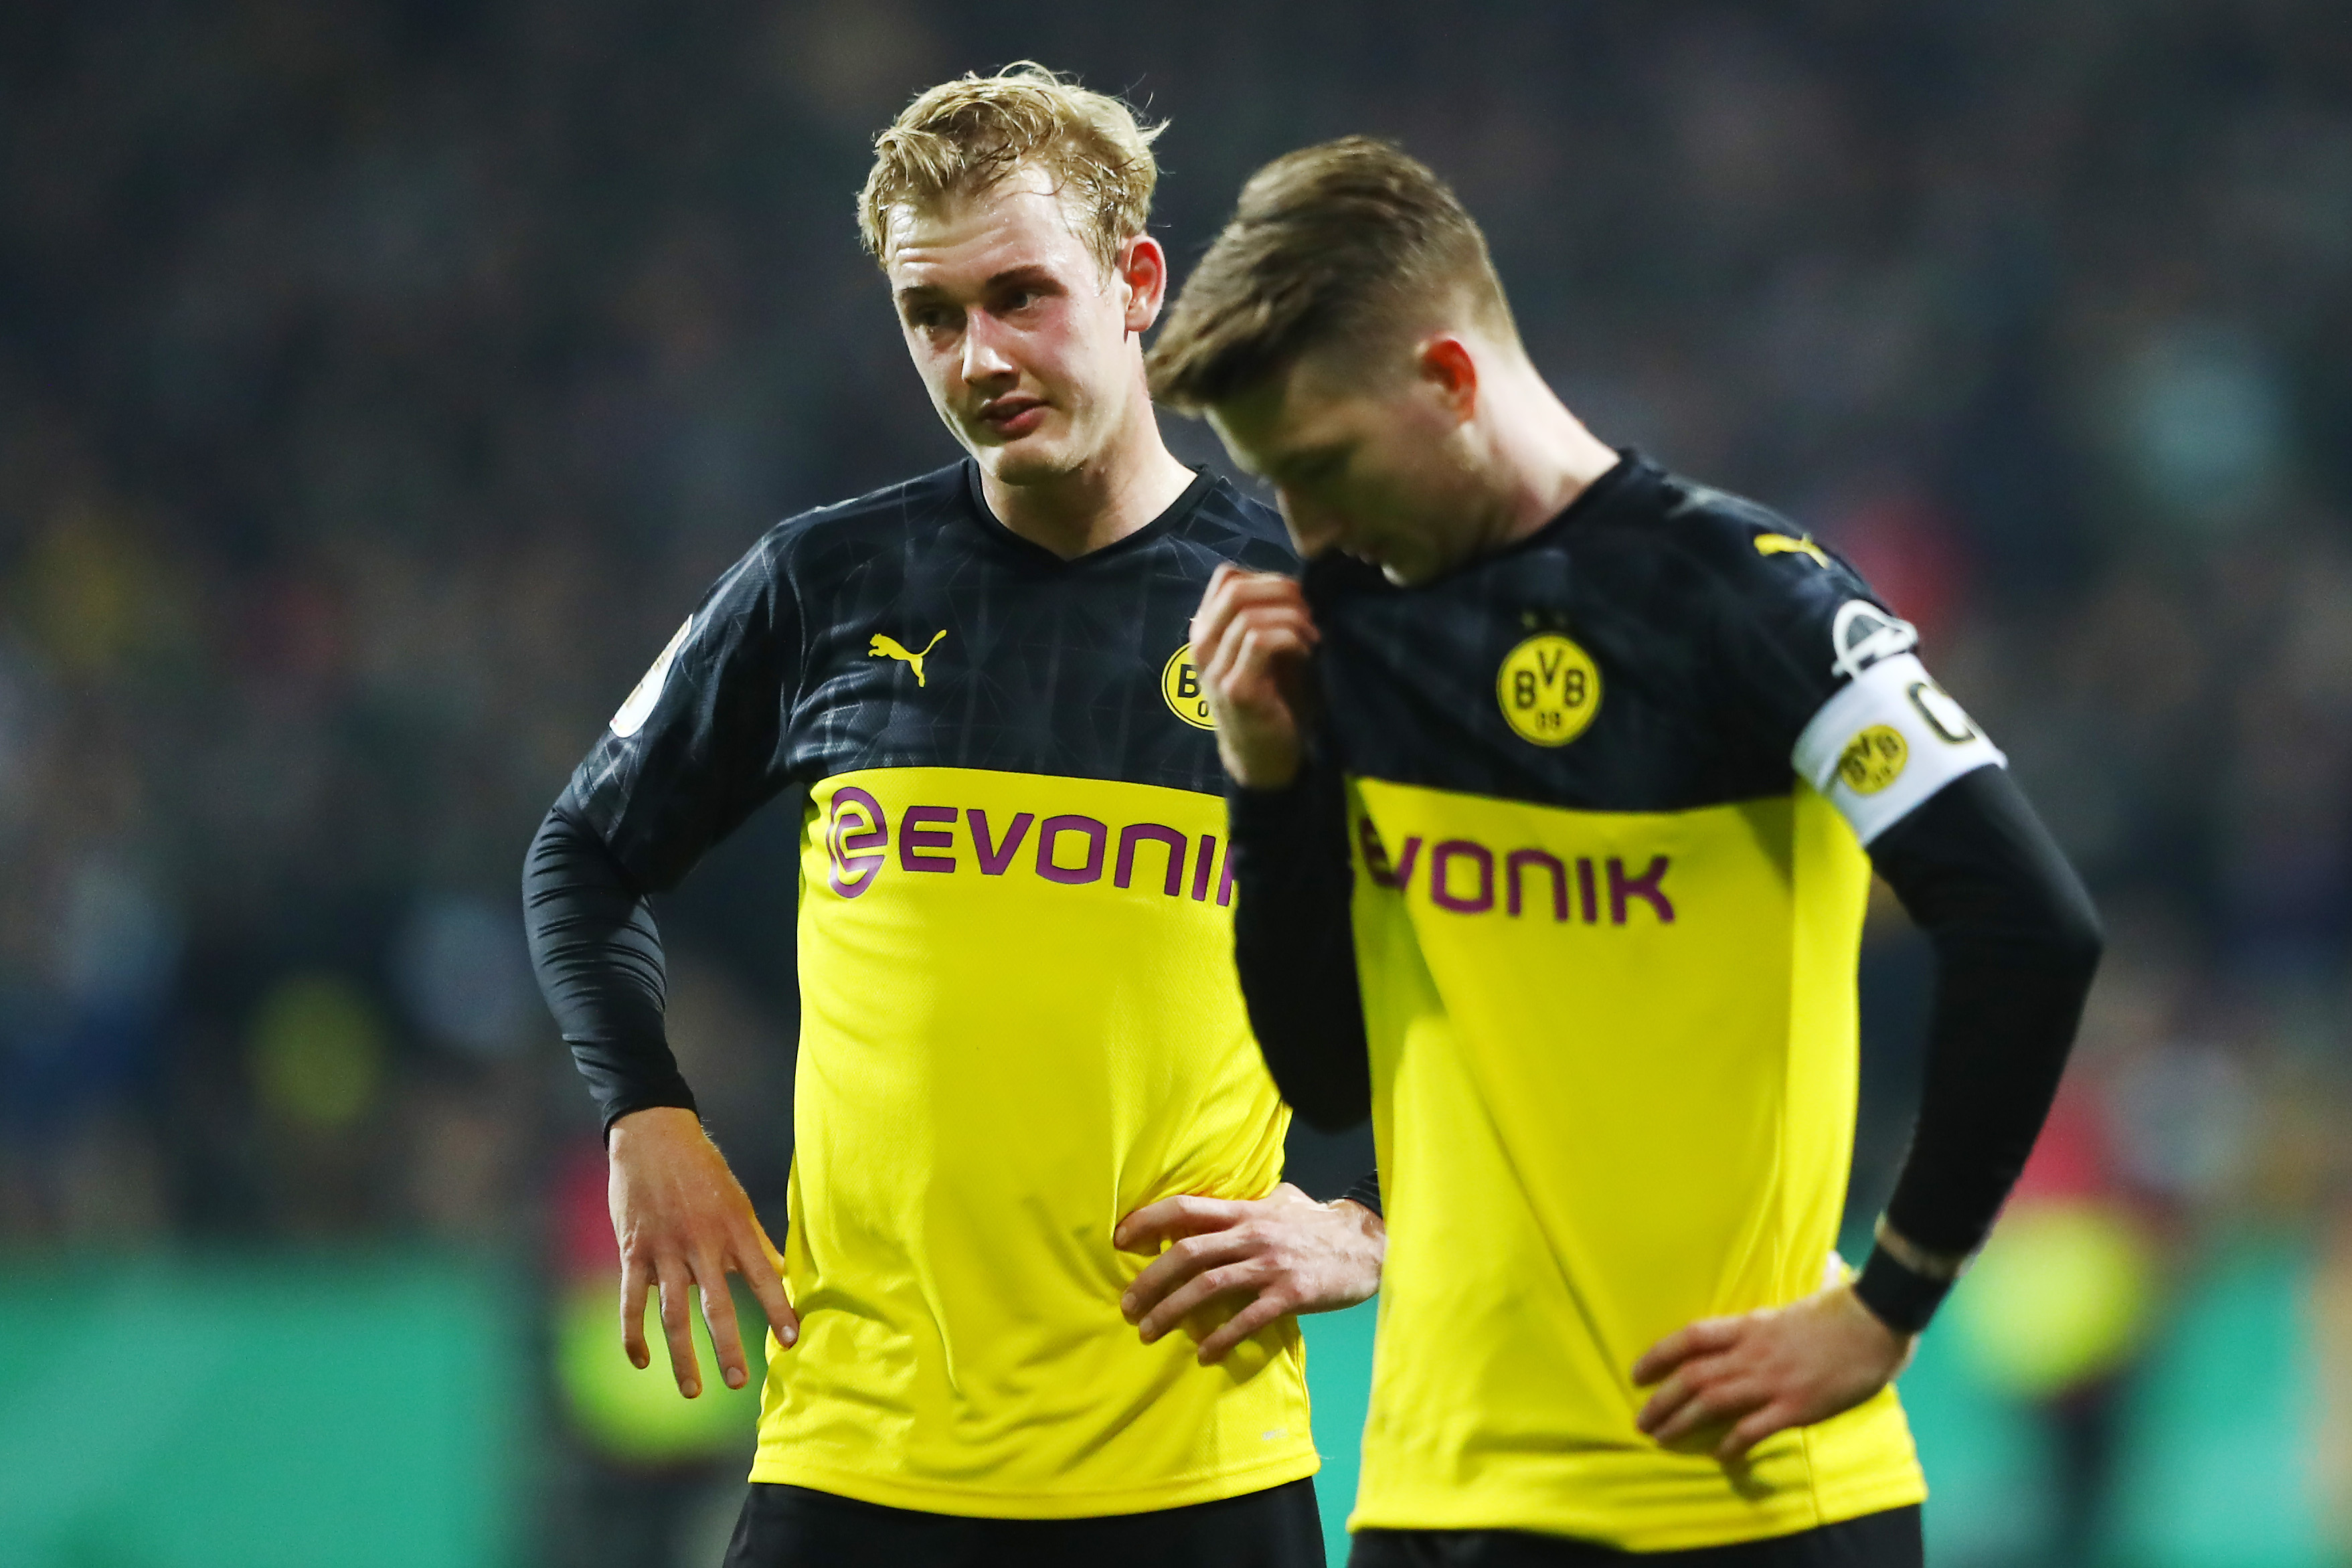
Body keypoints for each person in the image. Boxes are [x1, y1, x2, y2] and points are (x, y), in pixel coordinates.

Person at [1148, 137, 2102, 1565]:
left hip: (1745, 1492)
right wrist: (1268, 778)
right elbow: (1326, 1071)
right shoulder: (1344, 636)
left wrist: (1888, 1302)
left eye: (1323, 465)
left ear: (1449, 378)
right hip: (1435, 1498)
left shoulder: (1745, 595)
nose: (1308, 525)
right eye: (1277, 482)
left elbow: (2027, 921)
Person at [523, 68, 1385, 1568]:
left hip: (1192, 1473)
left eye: (1018, 295)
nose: (977, 355)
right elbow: (581, 855)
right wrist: (644, 1110)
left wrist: (1369, 1222)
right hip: (854, 1459)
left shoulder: (1315, 604)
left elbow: (1509, 967)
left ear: (1134, 284)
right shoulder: (822, 585)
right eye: (932, 314)